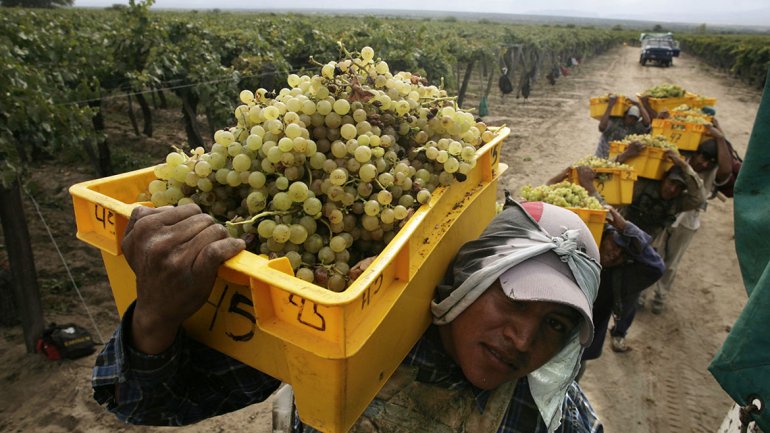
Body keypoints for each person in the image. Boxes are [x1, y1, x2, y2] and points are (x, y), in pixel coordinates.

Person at [92, 201, 605, 433]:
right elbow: (149, 404)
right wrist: (156, 318)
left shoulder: (550, 416)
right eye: (514, 299)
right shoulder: (350, 338)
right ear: (470, 278)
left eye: (556, 325)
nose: (523, 339)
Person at [558, 167, 665, 356]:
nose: (616, 254)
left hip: (580, 351)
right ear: (603, 237)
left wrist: (625, 227)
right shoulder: (575, 253)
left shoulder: (618, 278)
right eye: (614, 245)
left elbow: (656, 267)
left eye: (623, 254)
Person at [648, 122, 733, 313]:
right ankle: (643, 294)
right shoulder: (682, 157)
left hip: (687, 222)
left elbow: (726, 169)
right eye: (702, 158)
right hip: (667, 214)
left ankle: (659, 298)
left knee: (671, 263)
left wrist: (720, 137)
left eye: (709, 162)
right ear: (696, 153)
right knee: (654, 253)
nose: (704, 164)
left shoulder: (711, 172)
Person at [615, 145, 706, 240]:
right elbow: (610, 173)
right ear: (664, 179)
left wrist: (684, 166)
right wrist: (625, 155)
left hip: (647, 246)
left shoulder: (678, 202)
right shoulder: (642, 185)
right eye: (671, 183)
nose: (672, 189)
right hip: (620, 235)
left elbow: (700, 199)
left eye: (679, 187)